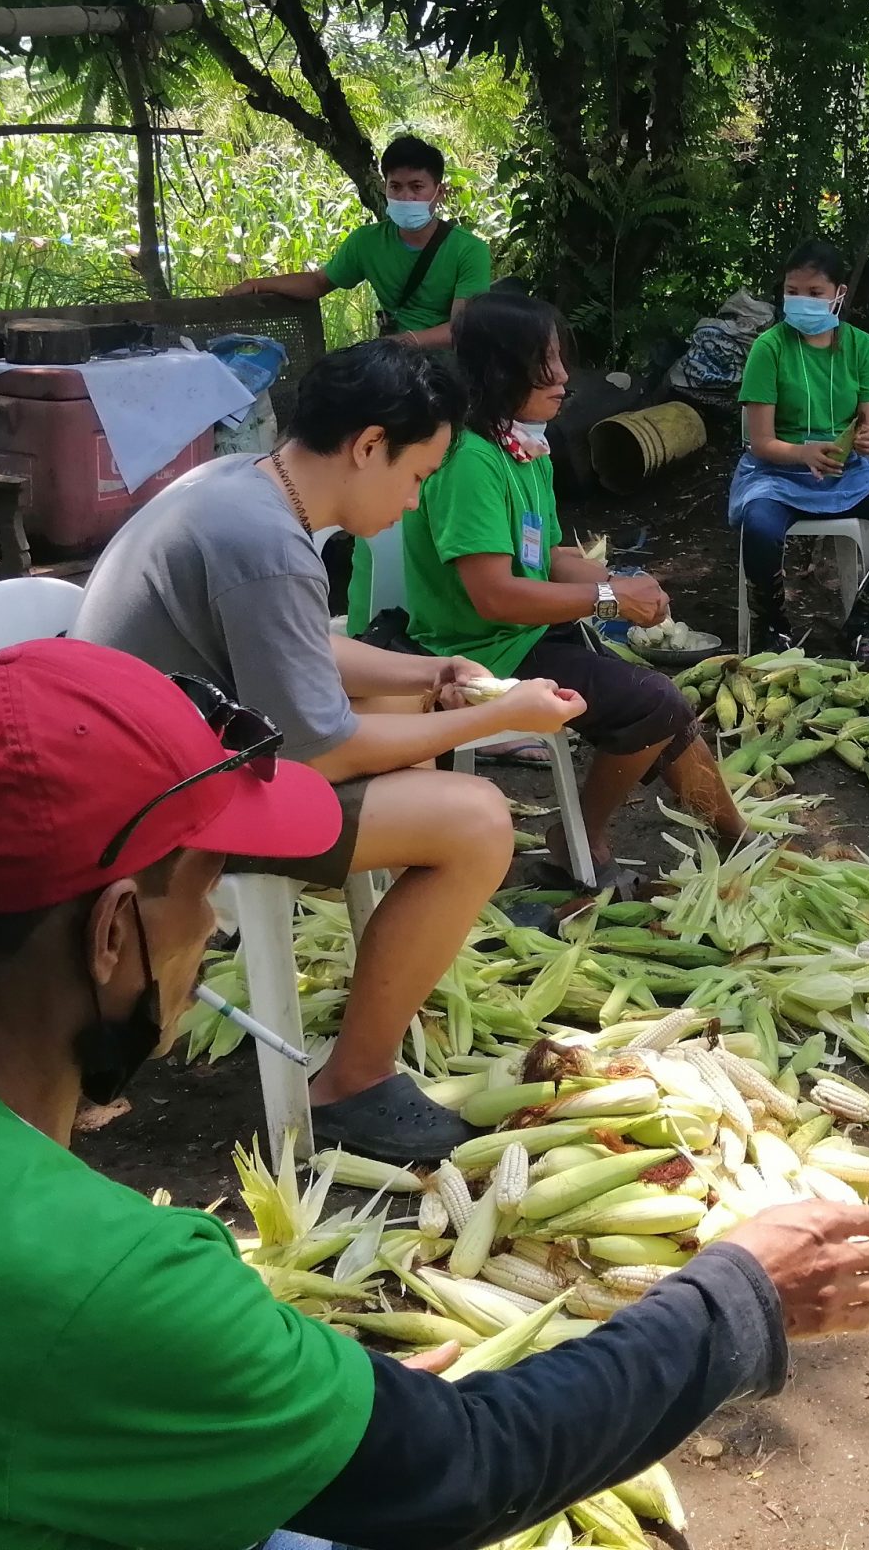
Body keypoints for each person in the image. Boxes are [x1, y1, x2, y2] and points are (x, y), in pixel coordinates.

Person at [0, 639, 869, 1549]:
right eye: (210, 900)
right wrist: (737, 1295)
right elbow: (465, 1472)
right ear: (115, 933)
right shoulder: (106, 1277)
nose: (212, 950)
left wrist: (301, 1391)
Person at [74, 340, 587, 1160]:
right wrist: (498, 718)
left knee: (397, 695)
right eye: (419, 477)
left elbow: (300, 649)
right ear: (369, 445)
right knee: (479, 822)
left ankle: (396, 952)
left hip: (152, 754)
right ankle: (353, 1081)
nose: (417, 504)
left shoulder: (240, 487)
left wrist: (434, 671)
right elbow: (317, 752)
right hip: (155, 807)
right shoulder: (268, 545)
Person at [405, 292, 747, 885]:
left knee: (663, 711)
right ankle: (577, 839)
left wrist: (621, 582)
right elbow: (496, 595)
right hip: (474, 650)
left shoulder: (526, 446)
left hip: (525, 633)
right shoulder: (470, 462)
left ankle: (738, 838)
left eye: (562, 359)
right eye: (545, 363)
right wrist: (610, 600)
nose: (564, 378)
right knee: (654, 700)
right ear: (497, 369)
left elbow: (554, 556)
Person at [732, 240, 869, 664]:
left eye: (814, 293)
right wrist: (804, 453)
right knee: (759, 525)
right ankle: (775, 632)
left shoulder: (862, 347)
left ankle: (862, 625)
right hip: (778, 473)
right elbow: (762, 443)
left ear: (838, 295)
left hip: (850, 473)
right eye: (793, 291)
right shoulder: (768, 348)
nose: (800, 301)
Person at [231, 134, 493, 348]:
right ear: (385, 188)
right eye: (395, 187)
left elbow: (461, 330)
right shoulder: (367, 242)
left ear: (439, 192)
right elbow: (318, 282)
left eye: (416, 187)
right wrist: (256, 284)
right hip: (394, 363)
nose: (405, 197)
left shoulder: (469, 250)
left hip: (447, 371)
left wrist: (402, 342)